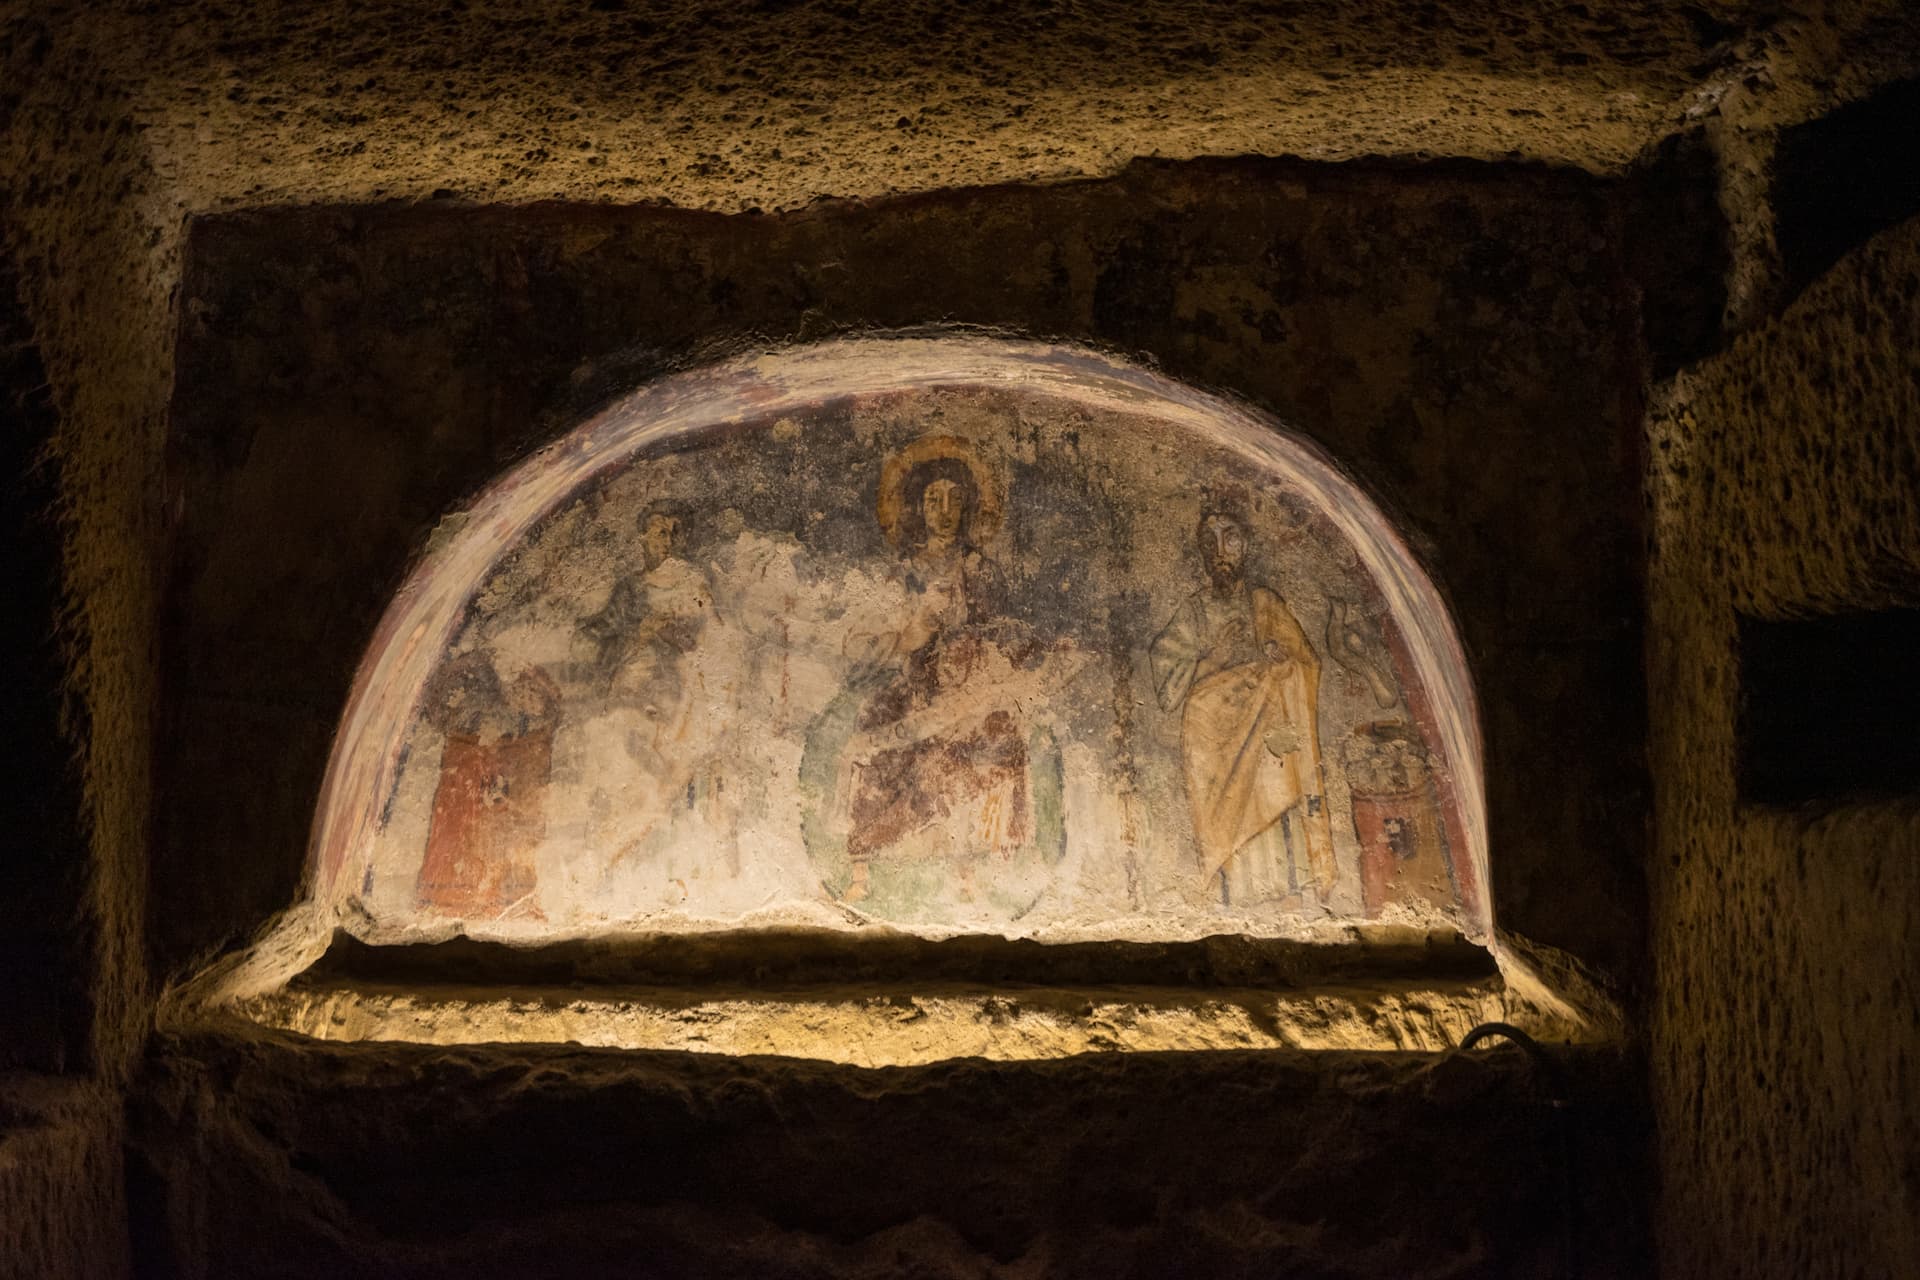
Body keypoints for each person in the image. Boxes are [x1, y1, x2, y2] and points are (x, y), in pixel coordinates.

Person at [836, 443, 1041, 903]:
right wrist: (913, 631)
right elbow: (875, 642)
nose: (944, 511)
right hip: (914, 683)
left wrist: (975, 644)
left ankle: (967, 871)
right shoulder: (903, 572)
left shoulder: (981, 570)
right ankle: (861, 871)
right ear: (917, 508)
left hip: (969, 684)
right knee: (873, 721)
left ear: (968, 505)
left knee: (994, 735)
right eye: (933, 500)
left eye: (953, 499)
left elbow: (1001, 634)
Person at [1149, 507, 1335, 909]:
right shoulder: (1194, 612)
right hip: (1216, 745)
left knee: (1279, 804)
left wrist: (1280, 659)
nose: (1220, 551)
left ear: (1245, 545)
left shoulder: (1264, 604)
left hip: (1269, 741)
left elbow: (1307, 663)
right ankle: (1233, 903)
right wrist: (1209, 660)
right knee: (1228, 830)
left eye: (1230, 538)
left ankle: (1292, 898)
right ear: (1200, 553)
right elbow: (1167, 685)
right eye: (1209, 542)